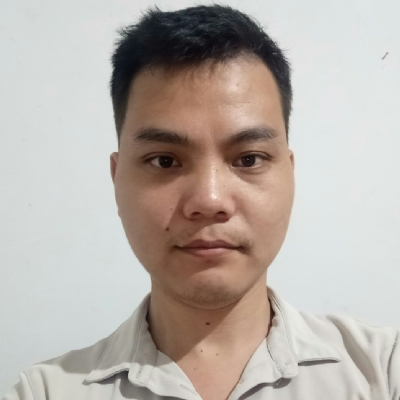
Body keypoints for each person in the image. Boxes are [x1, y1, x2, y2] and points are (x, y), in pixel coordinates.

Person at [3, 5, 399, 400]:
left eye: (249, 159)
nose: (209, 201)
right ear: (116, 178)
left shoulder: (383, 371)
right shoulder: (45, 392)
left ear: (289, 175)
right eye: (164, 161)